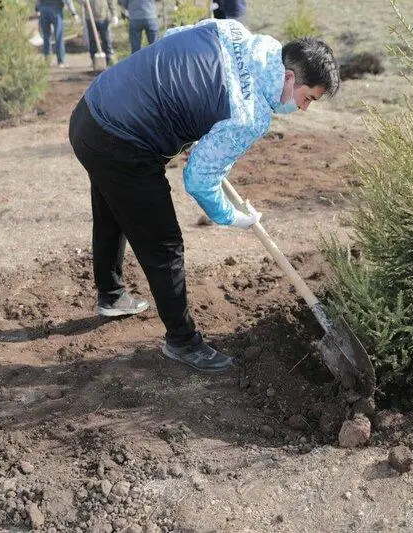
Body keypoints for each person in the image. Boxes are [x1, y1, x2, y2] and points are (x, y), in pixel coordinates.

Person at [68, 19, 339, 372]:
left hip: (93, 107)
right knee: (164, 245)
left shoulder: (233, 31)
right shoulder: (248, 114)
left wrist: (192, 108)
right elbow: (198, 178)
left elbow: (172, 38)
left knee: (112, 207)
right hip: (120, 141)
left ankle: (111, 295)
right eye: (308, 99)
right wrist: (232, 216)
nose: (303, 108)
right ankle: (182, 341)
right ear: (290, 77)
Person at [35, 0, 79, 68]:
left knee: (46, 37)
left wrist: (37, 8)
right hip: (56, 10)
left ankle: (47, 61)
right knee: (59, 36)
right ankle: (61, 61)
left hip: (43, 10)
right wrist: (73, 13)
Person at [81, 0, 118, 66]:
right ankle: (94, 60)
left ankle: (109, 59)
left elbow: (111, 2)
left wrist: (114, 14)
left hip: (103, 18)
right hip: (90, 17)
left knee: (106, 39)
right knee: (92, 40)